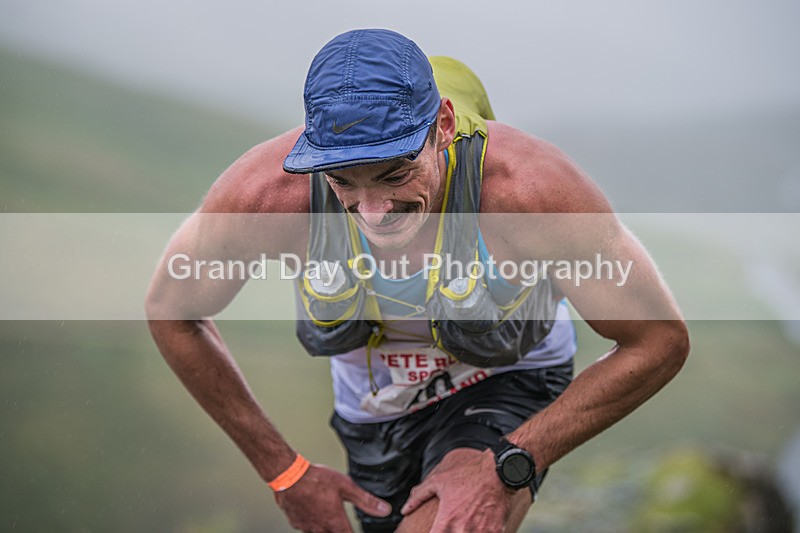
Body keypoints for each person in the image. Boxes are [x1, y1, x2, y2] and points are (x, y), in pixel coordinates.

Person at [145, 28, 690, 533]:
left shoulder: (531, 195)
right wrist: (284, 472)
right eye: (342, 182)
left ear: (445, 127)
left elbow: (658, 340)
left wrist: (510, 461)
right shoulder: (265, 199)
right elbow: (172, 313)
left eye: (396, 173)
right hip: (377, 408)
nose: (375, 212)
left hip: (505, 378)